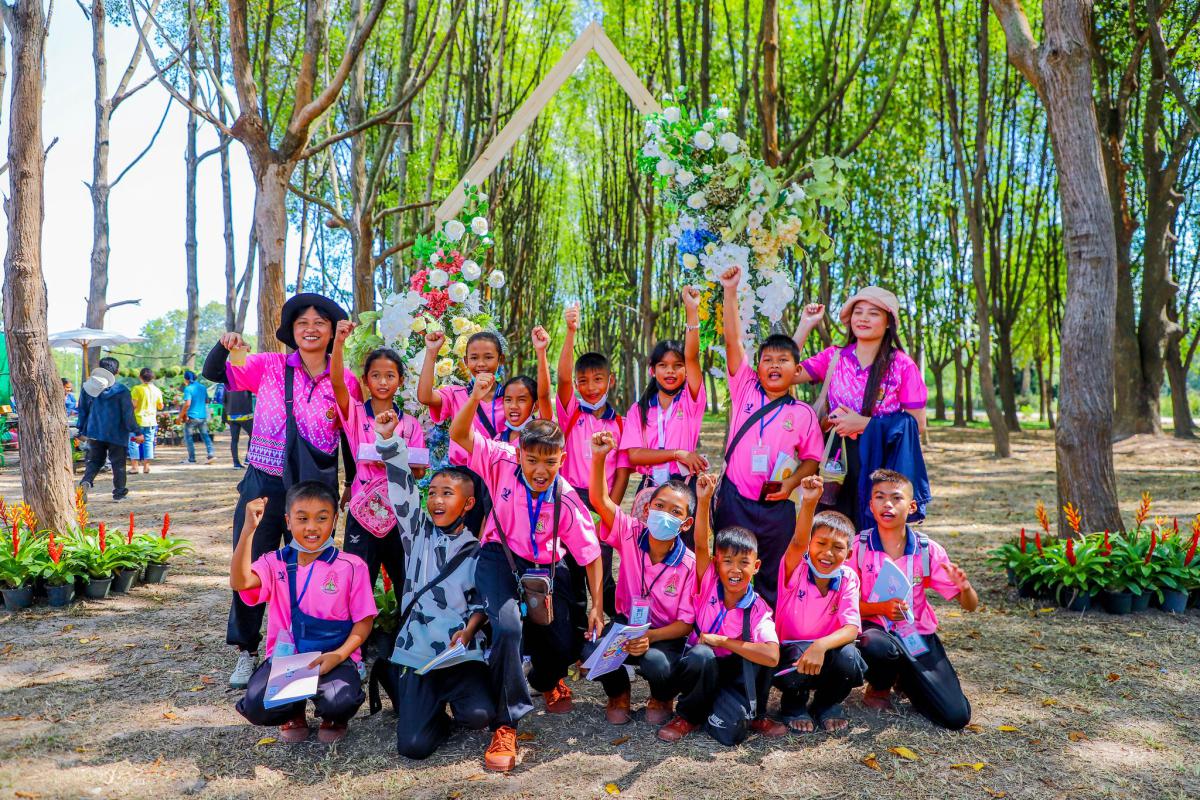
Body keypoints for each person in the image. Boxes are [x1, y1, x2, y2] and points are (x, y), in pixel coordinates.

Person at [202, 292, 361, 690]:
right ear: (292, 330)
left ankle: (308, 644)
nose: (311, 329)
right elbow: (215, 372)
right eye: (302, 323)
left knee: (311, 568)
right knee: (253, 559)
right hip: (264, 480)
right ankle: (246, 649)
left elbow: (352, 433)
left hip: (314, 488)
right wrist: (224, 346)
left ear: (333, 332)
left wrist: (351, 482)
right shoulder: (269, 366)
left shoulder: (345, 378)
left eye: (319, 323)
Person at [448, 372, 604, 772]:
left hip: (545, 568)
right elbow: (460, 434)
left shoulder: (566, 497)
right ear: (519, 454)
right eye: (532, 460)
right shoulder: (499, 459)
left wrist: (596, 606)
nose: (540, 469)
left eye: (549, 462)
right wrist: (475, 397)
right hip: (499, 556)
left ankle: (546, 680)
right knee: (507, 628)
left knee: (562, 642)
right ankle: (506, 723)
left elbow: (590, 554)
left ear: (561, 460)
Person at [370, 408, 496, 764]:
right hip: (418, 653)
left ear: (468, 504)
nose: (437, 500)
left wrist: (469, 632)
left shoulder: (478, 551)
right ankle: (428, 710)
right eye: (434, 493)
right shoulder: (417, 534)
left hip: (458, 654)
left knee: (479, 716)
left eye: (448, 494)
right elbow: (403, 491)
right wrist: (389, 441)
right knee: (413, 746)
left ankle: (445, 701)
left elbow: (481, 604)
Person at [230, 481, 375, 744]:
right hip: (287, 660)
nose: (311, 527)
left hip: (334, 657)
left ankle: (333, 716)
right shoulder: (274, 562)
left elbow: (364, 622)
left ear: (335, 520)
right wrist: (248, 530)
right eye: (302, 518)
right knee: (257, 706)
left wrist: (339, 655)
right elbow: (240, 582)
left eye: (322, 518)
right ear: (288, 521)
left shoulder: (352, 566)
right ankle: (293, 712)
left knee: (339, 701)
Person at [715, 265, 823, 605]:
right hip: (735, 501)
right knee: (731, 569)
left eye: (783, 360)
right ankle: (728, 626)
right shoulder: (744, 388)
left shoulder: (803, 414)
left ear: (796, 370)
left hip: (778, 510)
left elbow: (812, 460)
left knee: (774, 576)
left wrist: (790, 484)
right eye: (767, 360)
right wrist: (730, 291)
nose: (774, 365)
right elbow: (733, 340)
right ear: (757, 367)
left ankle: (769, 632)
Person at [849, 469, 978, 730]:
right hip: (876, 630)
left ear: (912, 506)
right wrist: (880, 608)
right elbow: (843, 605)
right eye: (879, 497)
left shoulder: (926, 549)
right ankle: (880, 686)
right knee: (875, 645)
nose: (887, 504)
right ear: (871, 505)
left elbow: (970, 606)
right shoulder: (859, 547)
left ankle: (907, 678)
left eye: (896, 498)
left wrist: (965, 589)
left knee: (956, 716)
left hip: (916, 635)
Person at [657, 472, 780, 746]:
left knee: (758, 657)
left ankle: (756, 714)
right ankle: (687, 716)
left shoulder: (758, 608)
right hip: (703, 668)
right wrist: (704, 500)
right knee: (701, 655)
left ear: (756, 567)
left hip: (734, 672)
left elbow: (772, 656)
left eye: (744, 563)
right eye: (727, 561)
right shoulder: (709, 582)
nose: (735, 570)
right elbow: (701, 544)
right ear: (716, 564)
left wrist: (723, 641)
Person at [792, 290, 930, 528]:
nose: (863, 318)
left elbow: (917, 424)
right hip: (835, 464)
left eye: (873, 313)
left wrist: (865, 424)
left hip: (880, 462)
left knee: (873, 535)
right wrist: (805, 325)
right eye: (858, 312)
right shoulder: (834, 358)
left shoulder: (902, 366)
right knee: (830, 533)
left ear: (889, 322)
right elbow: (784, 372)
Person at [585, 430, 695, 726]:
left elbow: (686, 623)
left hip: (664, 635)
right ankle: (618, 693)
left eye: (675, 511)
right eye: (659, 506)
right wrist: (599, 457)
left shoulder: (688, 564)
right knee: (591, 647)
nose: (664, 514)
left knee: (656, 663)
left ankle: (662, 696)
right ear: (647, 509)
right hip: (626, 624)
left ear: (686, 524)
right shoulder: (631, 532)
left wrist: (650, 637)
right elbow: (599, 500)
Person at [330, 320, 427, 591]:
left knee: (407, 583)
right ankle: (360, 623)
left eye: (390, 376)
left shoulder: (411, 425)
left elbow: (420, 472)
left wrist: (391, 459)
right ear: (365, 380)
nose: (383, 382)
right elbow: (336, 382)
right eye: (375, 375)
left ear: (401, 381)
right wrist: (338, 342)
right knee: (357, 584)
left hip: (401, 515)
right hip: (362, 513)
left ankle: (405, 621)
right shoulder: (355, 414)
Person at [771, 474, 865, 733]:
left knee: (849, 656)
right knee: (797, 658)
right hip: (790, 657)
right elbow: (797, 542)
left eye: (838, 547)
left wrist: (820, 645)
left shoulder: (848, 577)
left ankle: (827, 704)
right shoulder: (796, 569)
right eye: (821, 543)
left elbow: (851, 629)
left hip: (826, 653)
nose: (828, 552)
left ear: (849, 553)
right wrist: (809, 502)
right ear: (809, 546)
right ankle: (793, 705)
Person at [618, 289, 707, 545]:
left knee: (683, 551)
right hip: (649, 488)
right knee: (645, 549)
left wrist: (692, 310)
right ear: (652, 370)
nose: (670, 371)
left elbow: (692, 356)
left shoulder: (691, 400)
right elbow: (635, 455)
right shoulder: (639, 409)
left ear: (686, 370)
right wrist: (678, 454)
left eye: (678, 366)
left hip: (684, 486)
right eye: (663, 365)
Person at [78, 357, 142, 502]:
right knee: (118, 463)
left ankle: (86, 481)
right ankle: (119, 493)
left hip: (95, 431)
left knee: (95, 461)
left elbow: (82, 410)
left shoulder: (88, 389)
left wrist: (81, 429)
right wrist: (137, 432)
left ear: (99, 369)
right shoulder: (121, 390)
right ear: (116, 371)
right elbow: (128, 414)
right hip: (117, 433)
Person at [128, 368, 163, 474]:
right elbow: (160, 406)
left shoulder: (137, 389)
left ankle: (135, 467)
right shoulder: (157, 390)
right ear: (152, 377)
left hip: (137, 421)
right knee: (148, 443)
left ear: (140, 377)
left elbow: (134, 405)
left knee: (134, 443)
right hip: (151, 421)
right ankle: (146, 467)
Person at [179, 370, 215, 465]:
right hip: (202, 416)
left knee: (188, 437)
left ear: (186, 379)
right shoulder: (203, 387)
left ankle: (192, 458)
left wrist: (180, 416)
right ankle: (211, 454)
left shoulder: (188, 389)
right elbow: (207, 401)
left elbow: (187, 404)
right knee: (205, 436)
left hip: (191, 417)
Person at [223, 387, 255, 470]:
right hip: (245, 415)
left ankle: (236, 463)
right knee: (253, 435)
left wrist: (226, 415)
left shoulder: (227, 385)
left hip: (232, 416)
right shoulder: (245, 383)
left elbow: (224, 401)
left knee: (234, 440)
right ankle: (248, 458)